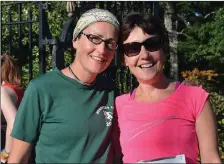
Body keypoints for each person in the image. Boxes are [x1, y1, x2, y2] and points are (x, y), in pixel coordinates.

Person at [8, 8, 121, 163]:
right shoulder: (41, 89)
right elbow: (17, 159)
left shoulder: (110, 91)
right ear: (75, 40)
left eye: (110, 43)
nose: (102, 49)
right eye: (94, 38)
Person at [115, 12, 222, 164]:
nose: (144, 55)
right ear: (124, 59)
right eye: (133, 48)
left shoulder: (196, 98)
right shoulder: (118, 107)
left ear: (163, 49)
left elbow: (211, 159)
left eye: (151, 44)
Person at [1, 54, 25, 163]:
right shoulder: (18, 90)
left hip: (9, 151)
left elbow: (14, 121)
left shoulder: (3, 91)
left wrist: (5, 155)